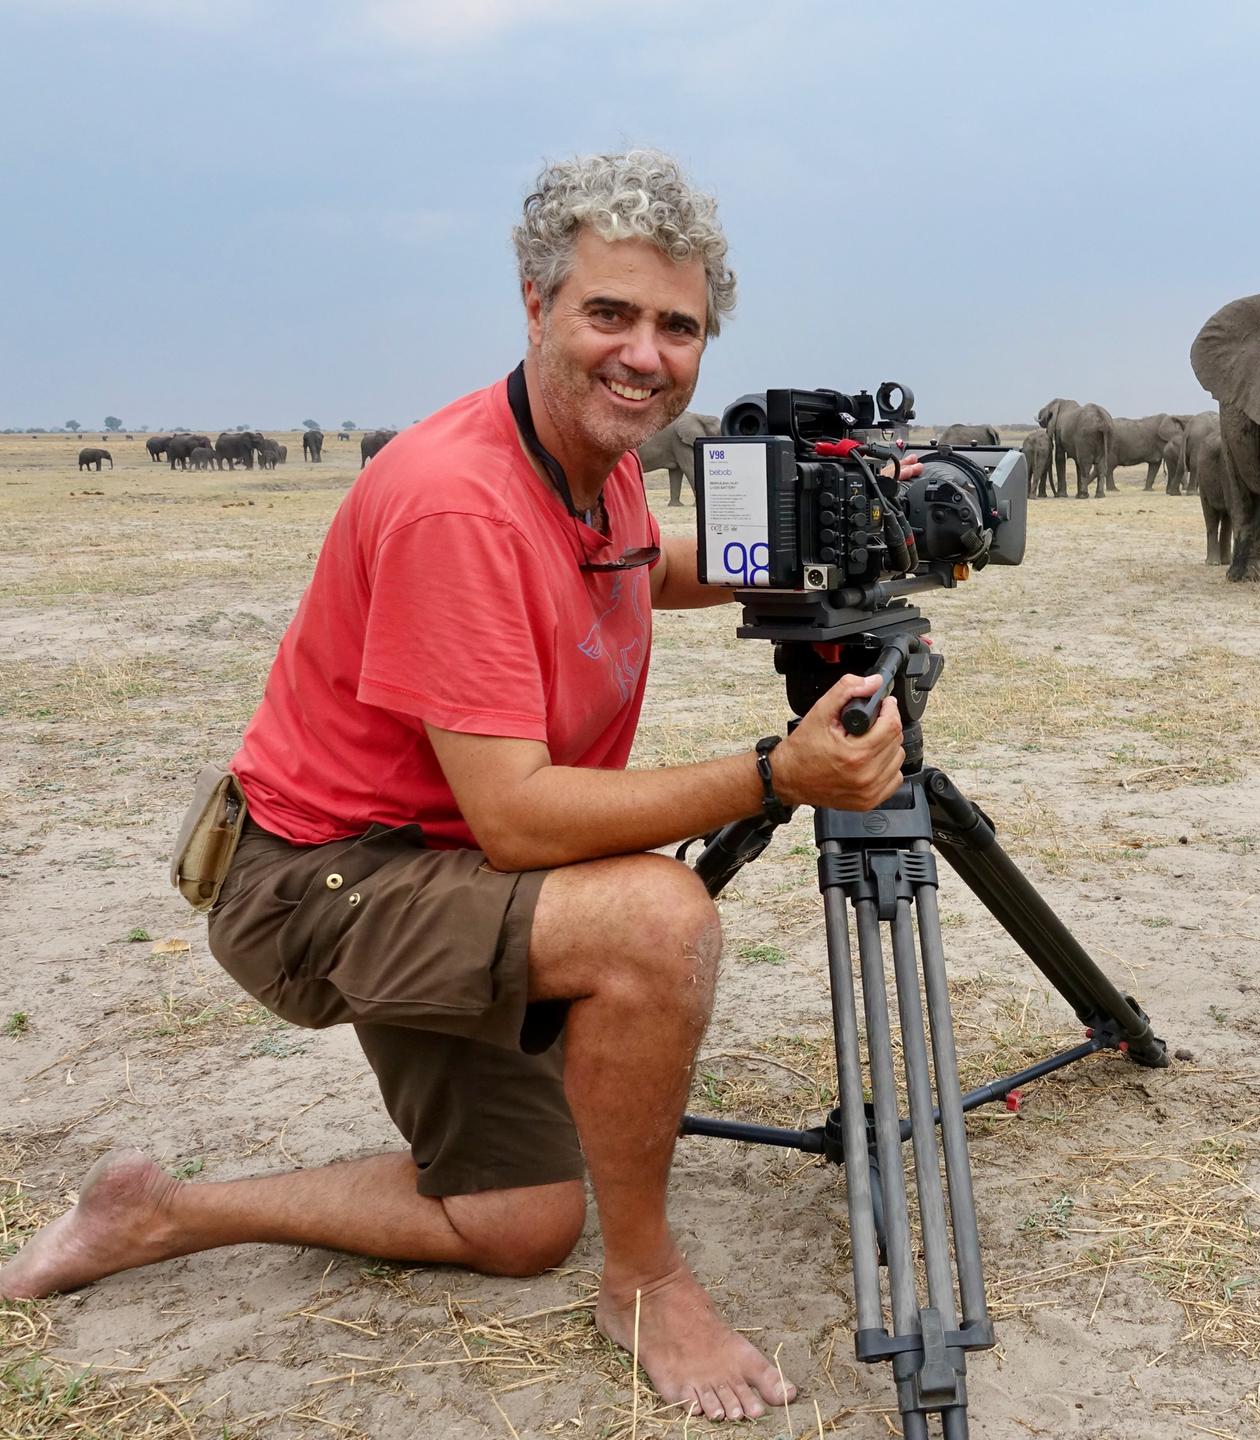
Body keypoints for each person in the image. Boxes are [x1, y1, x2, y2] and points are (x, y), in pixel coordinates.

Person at [0, 149, 908, 1424]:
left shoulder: (586, 459)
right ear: (535, 303)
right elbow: (521, 818)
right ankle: (647, 1283)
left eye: (678, 326)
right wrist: (777, 772)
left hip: (440, 865)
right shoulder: (456, 502)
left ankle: (157, 1213)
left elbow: (635, 566)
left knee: (518, 1223)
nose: (645, 354)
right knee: (658, 923)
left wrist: (827, 538)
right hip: (323, 881)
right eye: (609, 313)